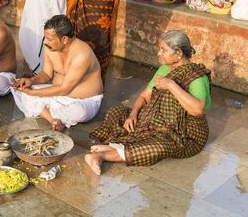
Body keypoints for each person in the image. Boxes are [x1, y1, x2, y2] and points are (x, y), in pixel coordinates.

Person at [86, 30, 211, 175]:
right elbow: (145, 96)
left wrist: (171, 85)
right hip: (156, 120)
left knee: (159, 147)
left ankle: (103, 155)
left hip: (184, 133)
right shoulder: (164, 69)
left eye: (163, 50)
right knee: (117, 112)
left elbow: (198, 110)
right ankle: (119, 147)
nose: (159, 53)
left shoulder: (197, 77)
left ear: (179, 53)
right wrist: (133, 114)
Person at [12, 15, 104, 132]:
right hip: (57, 95)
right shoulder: (50, 47)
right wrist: (31, 81)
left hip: (83, 101)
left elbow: (65, 89)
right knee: (19, 91)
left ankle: (48, 113)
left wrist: (33, 92)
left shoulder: (82, 54)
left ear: (64, 39)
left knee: (80, 112)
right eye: (45, 38)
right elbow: (46, 74)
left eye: (49, 39)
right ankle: (54, 120)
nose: (45, 42)